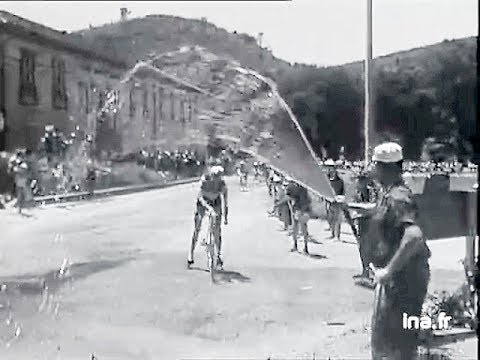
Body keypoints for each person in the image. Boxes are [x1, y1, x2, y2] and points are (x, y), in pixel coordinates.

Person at [365, 142, 431, 360]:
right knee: (388, 339)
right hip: (399, 277)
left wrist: (388, 271)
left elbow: (414, 236)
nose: (372, 169)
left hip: (405, 278)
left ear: (386, 168)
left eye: (375, 165)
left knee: (398, 343)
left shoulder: (398, 196)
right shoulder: (389, 193)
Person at [188, 165, 229, 269]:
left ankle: (218, 255)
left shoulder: (222, 184)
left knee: (217, 230)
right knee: (197, 227)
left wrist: (225, 216)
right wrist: (208, 208)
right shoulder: (205, 180)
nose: (216, 178)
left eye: (219, 176)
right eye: (215, 175)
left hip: (215, 202)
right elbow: (200, 197)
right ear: (211, 175)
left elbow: (225, 201)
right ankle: (191, 254)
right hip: (203, 202)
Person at [285, 181, 311, 254]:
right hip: (301, 209)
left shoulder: (298, 188)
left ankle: (299, 246)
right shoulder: (303, 187)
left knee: (299, 228)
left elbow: (289, 197)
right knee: (301, 228)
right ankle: (302, 247)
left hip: (301, 209)